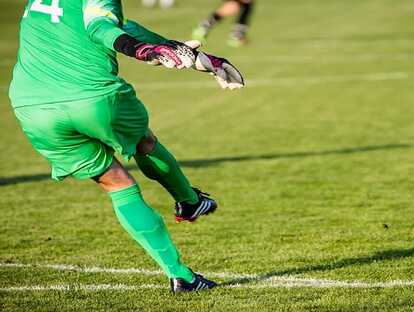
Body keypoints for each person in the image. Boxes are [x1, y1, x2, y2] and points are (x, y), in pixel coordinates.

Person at [10, 0, 244, 293]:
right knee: (143, 141)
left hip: (31, 109)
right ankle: (189, 201)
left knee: (116, 184)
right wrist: (149, 50)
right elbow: (101, 28)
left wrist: (181, 52)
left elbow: (122, 26)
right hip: (93, 98)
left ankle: (180, 275)